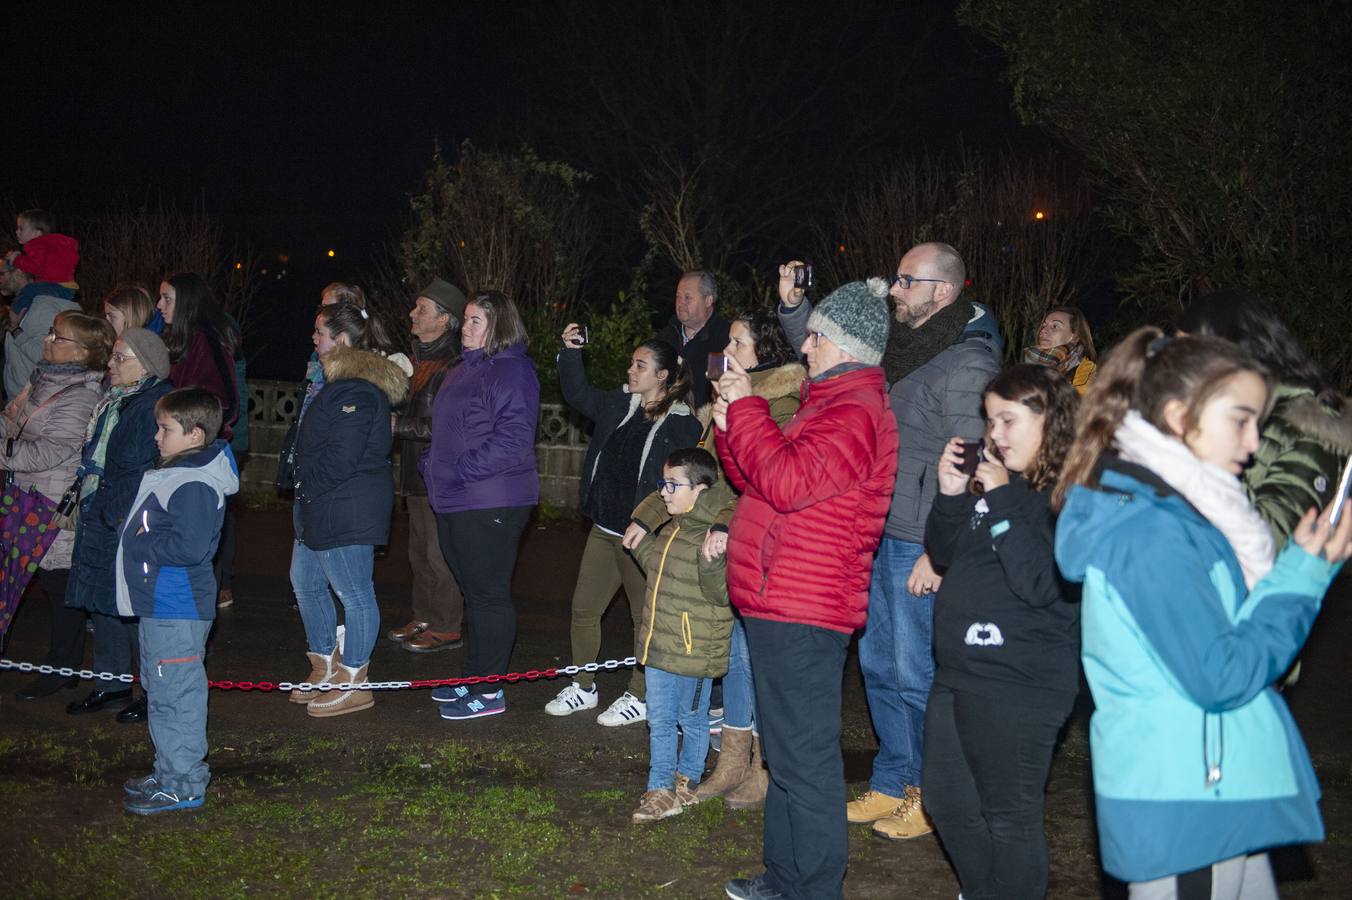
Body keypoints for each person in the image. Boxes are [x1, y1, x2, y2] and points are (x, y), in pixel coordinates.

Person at [1054, 327, 1351, 896]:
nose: (1254, 442)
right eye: (1240, 419)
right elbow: (1221, 675)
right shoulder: (1151, 533)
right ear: (1177, 416)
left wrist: (1300, 568)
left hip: (1207, 786)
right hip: (1188, 795)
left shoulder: (1183, 518)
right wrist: (1304, 578)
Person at [781, 245, 1002, 841]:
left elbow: (972, 463)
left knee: (916, 671)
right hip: (881, 529)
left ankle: (932, 795)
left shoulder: (968, 364)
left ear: (945, 292)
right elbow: (833, 347)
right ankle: (891, 781)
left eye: (908, 280)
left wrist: (942, 549)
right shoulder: (906, 349)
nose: (895, 289)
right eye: (898, 278)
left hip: (918, 540)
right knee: (878, 664)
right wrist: (793, 309)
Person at [718, 279, 898, 900]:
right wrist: (730, 424)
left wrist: (748, 408)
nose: (806, 345)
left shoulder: (854, 413)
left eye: (815, 334)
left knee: (807, 761)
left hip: (806, 604)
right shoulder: (828, 404)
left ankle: (814, 889)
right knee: (787, 759)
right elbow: (758, 481)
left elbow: (789, 483)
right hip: (781, 596)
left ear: (843, 344)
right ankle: (785, 878)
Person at [626, 306, 806, 809]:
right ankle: (730, 760)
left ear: (765, 355)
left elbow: (763, 477)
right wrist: (647, 513)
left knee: (752, 657)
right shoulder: (724, 401)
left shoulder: (784, 403)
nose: (725, 354)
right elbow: (700, 472)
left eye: (738, 345)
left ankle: (763, 765)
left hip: (752, 539)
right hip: (719, 538)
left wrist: (726, 523)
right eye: (727, 343)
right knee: (733, 658)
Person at [920, 364, 1080, 900]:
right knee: (946, 801)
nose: (996, 435)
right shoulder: (994, 485)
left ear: (1050, 418)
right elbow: (944, 555)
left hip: (1023, 681)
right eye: (991, 422)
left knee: (1009, 816)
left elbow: (1041, 583)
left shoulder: (1073, 493)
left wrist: (1002, 498)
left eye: (1009, 420)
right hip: (959, 673)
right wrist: (949, 495)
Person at [545, 331, 699, 725]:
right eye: (632, 363)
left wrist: (649, 523)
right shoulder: (619, 404)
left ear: (662, 375)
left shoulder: (681, 425)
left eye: (640, 366)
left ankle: (641, 694)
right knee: (584, 609)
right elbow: (578, 394)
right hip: (604, 529)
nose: (630, 370)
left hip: (643, 536)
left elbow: (677, 486)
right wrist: (571, 353)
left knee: (643, 619)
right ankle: (583, 687)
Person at [116, 388, 239, 814]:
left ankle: (184, 784)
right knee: (161, 689)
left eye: (165, 428)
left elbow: (189, 547)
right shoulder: (175, 473)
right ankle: (168, 771)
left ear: (195, 434)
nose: (156, 436)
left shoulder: (194, 483)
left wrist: (144, 546)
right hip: (160, 604)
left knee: (178, 696)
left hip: (177, 606)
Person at [287, 302, 409, 717]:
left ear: (341, 340)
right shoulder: (335, 384)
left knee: (354, 593)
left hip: (343, 505)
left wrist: (305, 486)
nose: (314, 340)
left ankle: (356, 679)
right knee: (305, 582)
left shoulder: (356, 388)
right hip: (321, 504)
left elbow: (342, 457)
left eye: (320, 333)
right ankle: (324, 666)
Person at [423, 290, 540, 721]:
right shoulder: (463, 369)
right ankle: (474, 676)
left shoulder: (513, 371)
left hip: (492, 498)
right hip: (457, 497)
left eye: (475, 321)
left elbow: (512, 441)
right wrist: (432, 463)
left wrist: (457, 469)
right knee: (474, 593)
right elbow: (452, 429)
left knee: (489, 595)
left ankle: (490, 690)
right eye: (466, 319)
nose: (465, 328)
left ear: (500, 326)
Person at [59, 328, 175, 723]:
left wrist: (114, 512)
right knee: (102, 603)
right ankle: (111, 685)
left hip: (125, 515)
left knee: (131, 606)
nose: (111, 364)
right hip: (103, 509)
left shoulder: (152, 405)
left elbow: (144, 467)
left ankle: (149, 691)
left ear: (146, 364)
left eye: (120, 358)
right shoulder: (118, 401)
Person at [1177, 290, 1352, 543]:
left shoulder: (1309, 429)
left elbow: (1273, 542)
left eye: (1191, 355)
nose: (1176, 369)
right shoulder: (1207, 414)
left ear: (1238, 351)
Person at [5, 314, 111, 702]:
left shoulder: (82, 394)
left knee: (59, 587)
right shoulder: (43, 376)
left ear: (82, 352)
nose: (47, 339)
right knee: (13, 576)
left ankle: (61, 668)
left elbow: (52, 451)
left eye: (57, 336)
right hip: (24, 495)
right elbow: (11, 419)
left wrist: (4, 452)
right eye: (51, 332)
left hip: (52, 504)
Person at [628, 447, 734, 823]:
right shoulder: (672, 531)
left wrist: (712, 562)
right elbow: (661, 576)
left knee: (691, 719)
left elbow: (721, 596)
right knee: (658, 718)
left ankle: (685, 780)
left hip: (693, 652)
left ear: (701, 490)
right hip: (659, 647)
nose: (664, 492)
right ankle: (659, 789)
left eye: (673, 485)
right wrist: (641, 546)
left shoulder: (712, 537)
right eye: (663, 483)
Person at [388, 278, 468, 653]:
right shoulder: (420, 359)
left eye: (422, 309)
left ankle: (447, 625)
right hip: (415, 473)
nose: (412, 314)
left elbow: (448, 427)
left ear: (444, 321)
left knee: (440, 554)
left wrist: (397, 425)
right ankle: (424, 616)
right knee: (418, 552)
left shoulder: (453, 364)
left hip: (439, 474)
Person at [157, 273, 240, 441]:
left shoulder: (207, 340)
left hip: (197, 442)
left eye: (167, 298)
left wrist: (195, 434)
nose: (159, 305)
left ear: (186, 301)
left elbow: (225, 402)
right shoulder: (183, 338)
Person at [2, 257, 81, 403]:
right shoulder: (25, 306)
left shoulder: (44, 308)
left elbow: (50, 356)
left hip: (33, 402)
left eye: (2, 274)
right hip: (20, 399)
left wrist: (16, 331)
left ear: (18, 273)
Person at [656, 270, 731, 408]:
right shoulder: (665, 337)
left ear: (708, 300)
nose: (680, 303)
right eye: (678, 296)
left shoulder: (723, 340)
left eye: (687, 297)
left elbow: (717, 387)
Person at [1023, 307, 1096, 395]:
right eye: (1043, 325)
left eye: (1055, 326)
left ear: (1074, 337)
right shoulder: (1025, 370)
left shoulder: (1091, 378)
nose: (1043, 331)